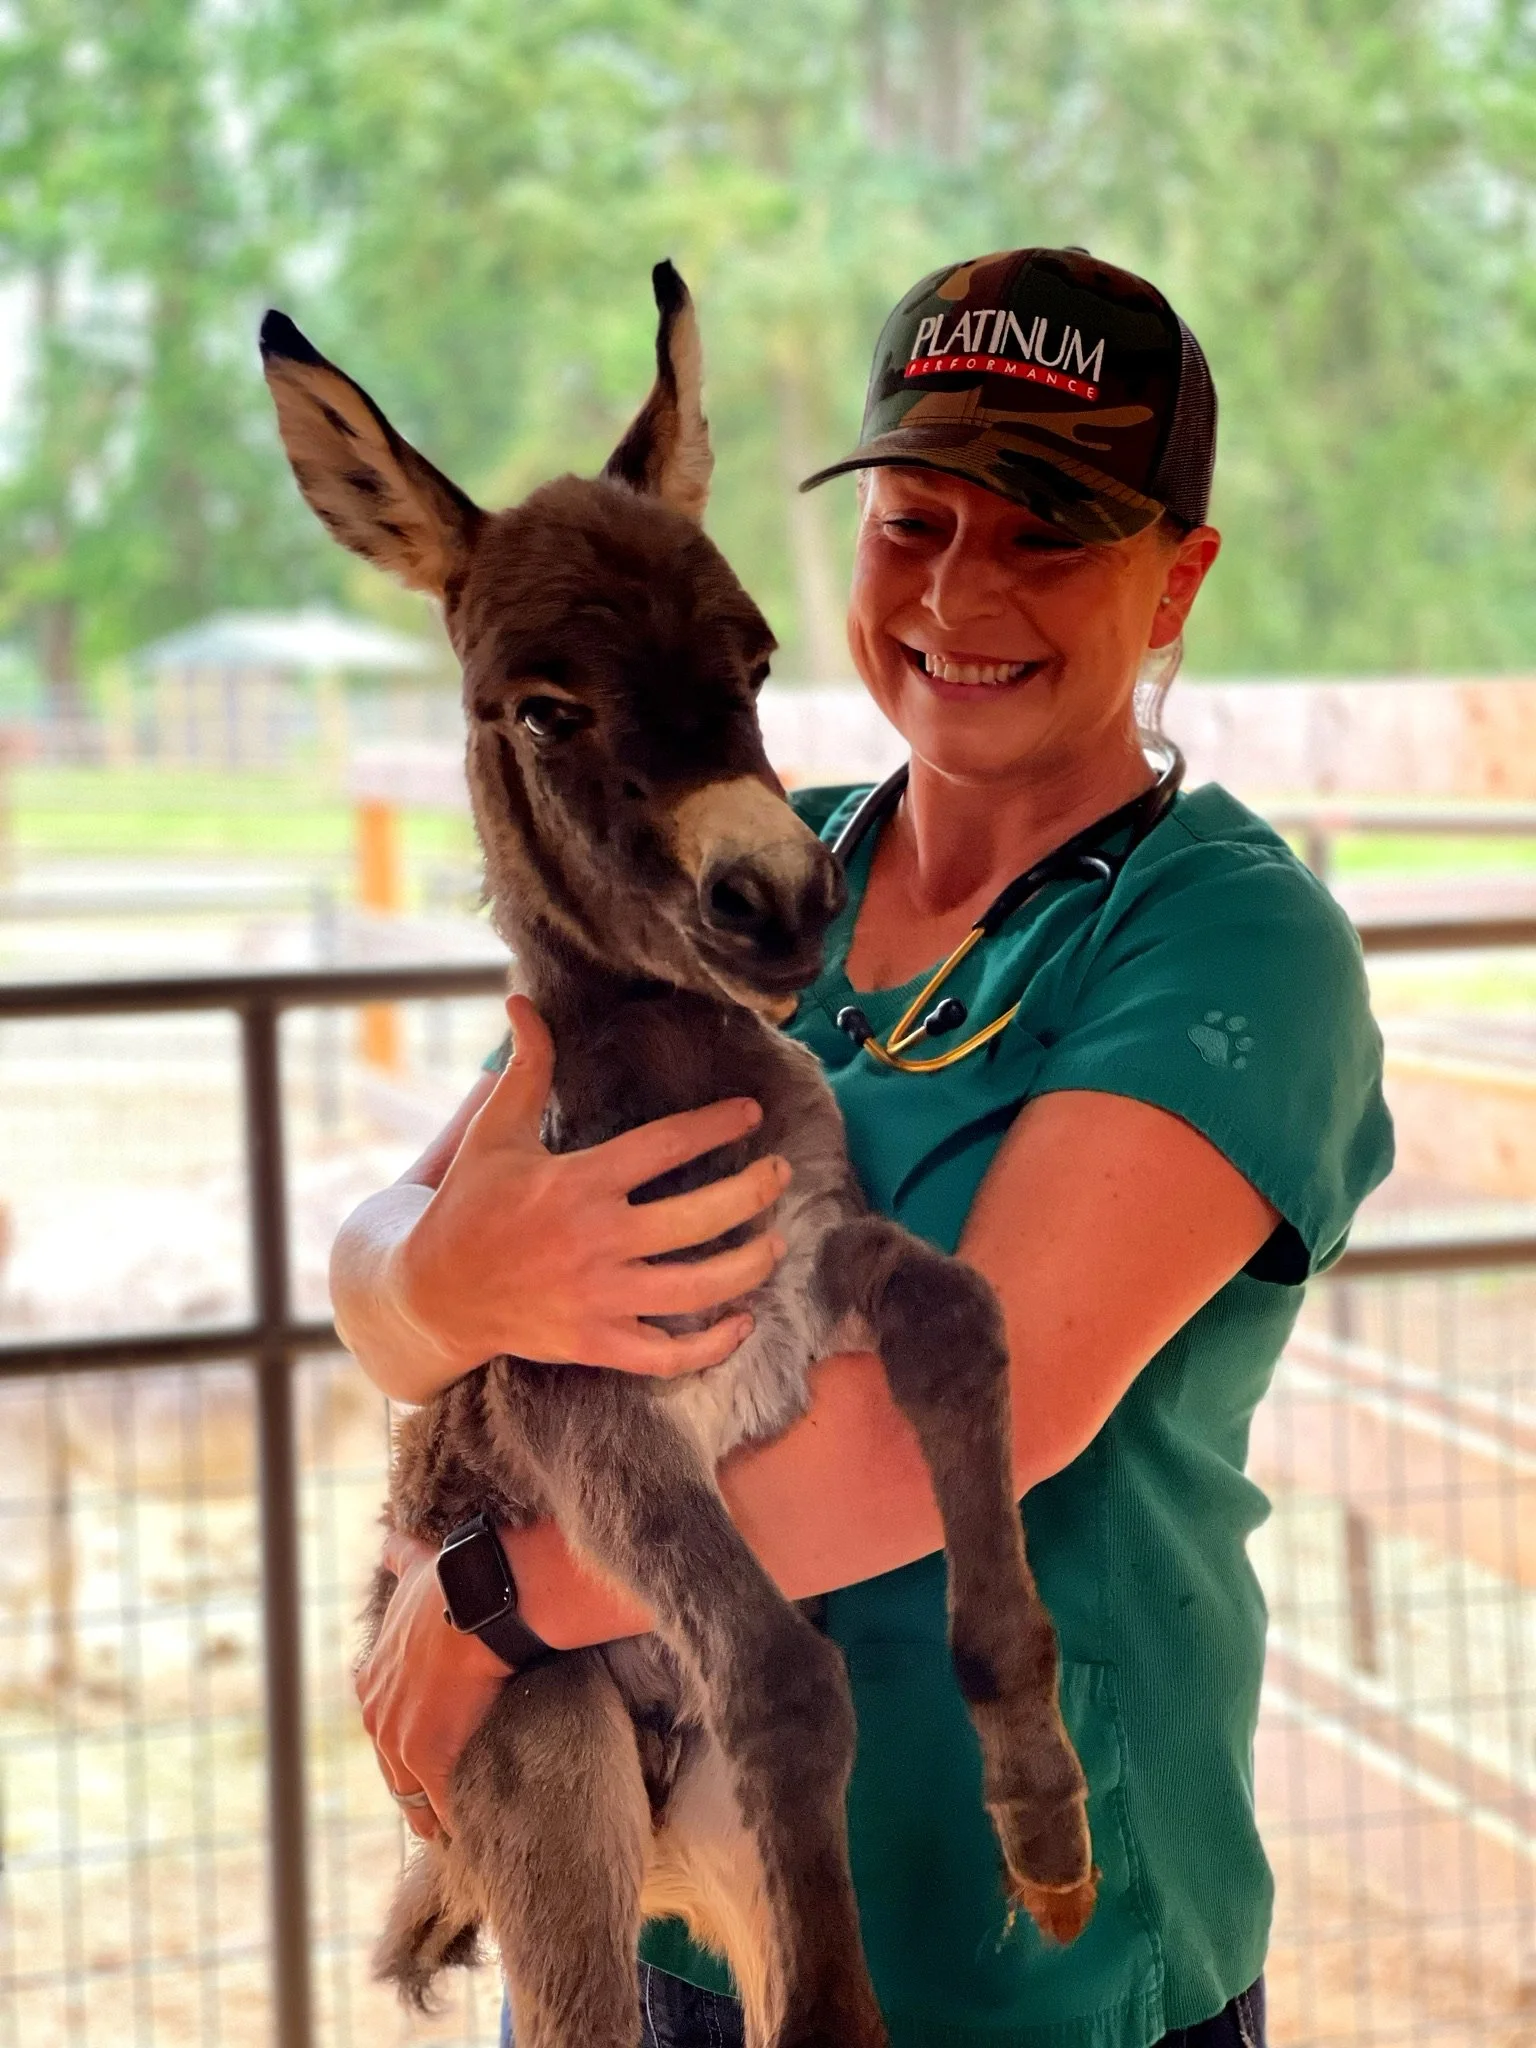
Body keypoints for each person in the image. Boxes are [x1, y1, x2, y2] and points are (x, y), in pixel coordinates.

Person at [335, 247, 1393, 2048]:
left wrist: (498, 1602)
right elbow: (390, 1277)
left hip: (1021, 1971)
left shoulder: (1224, 938)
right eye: (912, 521)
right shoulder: (755, 869)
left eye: (1049, 531)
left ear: (1177, 578)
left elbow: (968, 1421)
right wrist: (440, 1271)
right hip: (644, 1919)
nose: (961, 590)